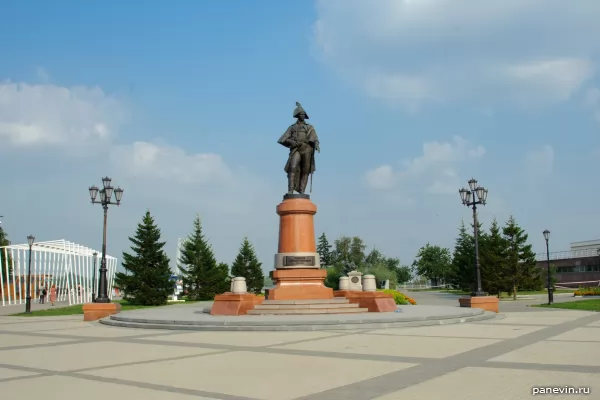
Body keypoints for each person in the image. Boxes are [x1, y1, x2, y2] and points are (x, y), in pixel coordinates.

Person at [278, 102, 320, 195]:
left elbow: (315, 137)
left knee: (305, 170)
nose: (302, 116)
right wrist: (292, 142)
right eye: (301, 114)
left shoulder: (309, 127)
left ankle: (302, 191)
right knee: (292, 168)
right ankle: (290, 190)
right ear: (297, 115)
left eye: (303, 114)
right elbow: (282, 139)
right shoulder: (292, 128)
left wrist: (316, 144)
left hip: (307, 149)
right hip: (296, 149)